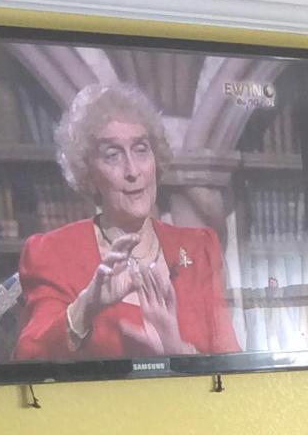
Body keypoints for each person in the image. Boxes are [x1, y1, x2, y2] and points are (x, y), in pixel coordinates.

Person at [15, 82, 241, 360]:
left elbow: (232, 367)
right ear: (88, 172)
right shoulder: (54, 252)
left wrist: (179, 353)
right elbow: (28, 358)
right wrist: (86, 306)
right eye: (112, 155)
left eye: (141, 149)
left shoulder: (199, 247)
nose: (132, 170)